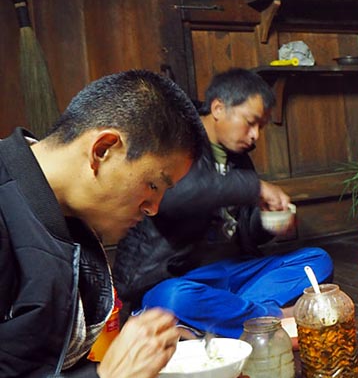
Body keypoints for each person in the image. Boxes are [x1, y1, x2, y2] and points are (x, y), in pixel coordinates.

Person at [0, 70, 247, 378]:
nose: (152, 208)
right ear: (103, 150)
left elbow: (41, 368)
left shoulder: (69, 216)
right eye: (153, 185)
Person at [113, 68, 333, 339]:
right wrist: (254, 187)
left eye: (260, 128)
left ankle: (224, 318)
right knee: (171, 298)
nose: (255, 136)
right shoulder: (175, 142)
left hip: (233, 274)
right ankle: (269, 319)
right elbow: (175, 197)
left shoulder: (239, 156)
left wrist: (269, 222)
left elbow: (245, 230)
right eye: (250, 123)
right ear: (218, 108)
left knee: (316, 261)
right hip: (178, 278)